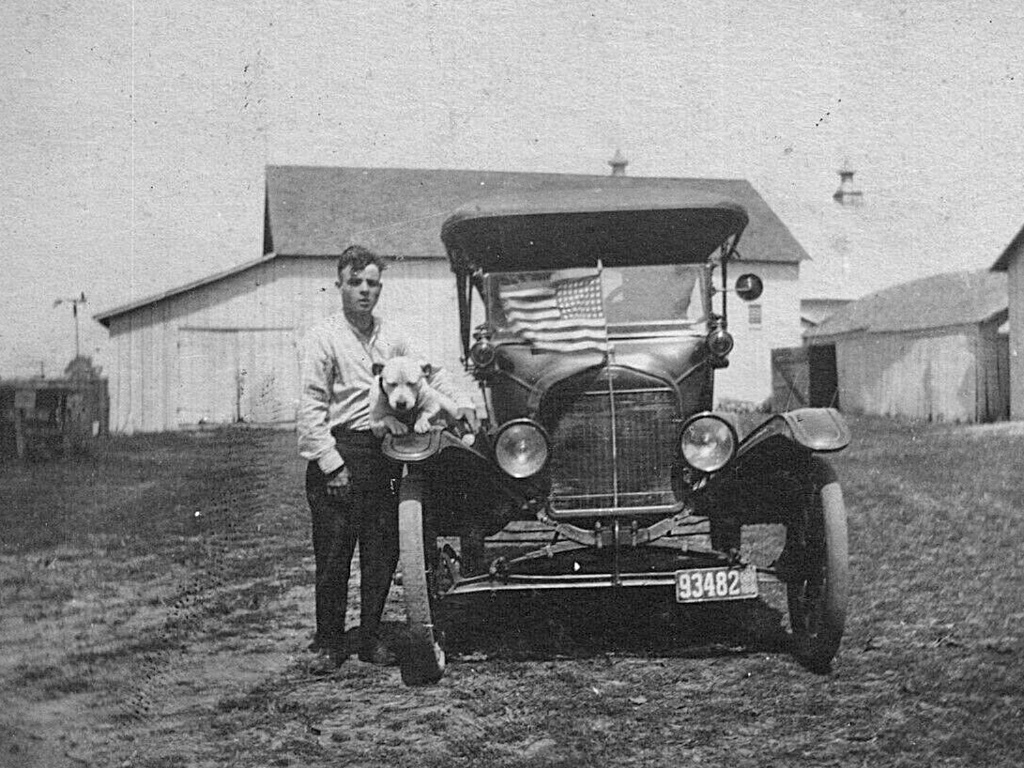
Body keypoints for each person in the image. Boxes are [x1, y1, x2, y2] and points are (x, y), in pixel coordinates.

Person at [297, 245, 479, 672]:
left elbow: (432, 374)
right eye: (355, 282)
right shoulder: (323, 338)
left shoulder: (393, 335)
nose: (364, 290)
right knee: (335, 554)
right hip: (341, 451)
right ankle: (329, 642)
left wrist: (463, 403)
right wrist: (332, 465)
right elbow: (310, 407)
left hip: (385, 453)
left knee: (381, 551)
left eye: (372, 283)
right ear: (339, 284)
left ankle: (370, 638)